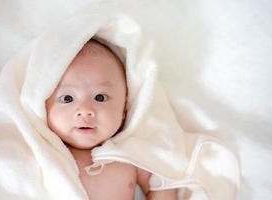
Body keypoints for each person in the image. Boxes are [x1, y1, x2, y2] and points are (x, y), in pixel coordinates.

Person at [45, 39, 177, 200]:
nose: (85, 111)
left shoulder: (130, 154)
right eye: (67, 98)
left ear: (124, 106)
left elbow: (163, 185)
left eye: (100, 97)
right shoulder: (44, 154)